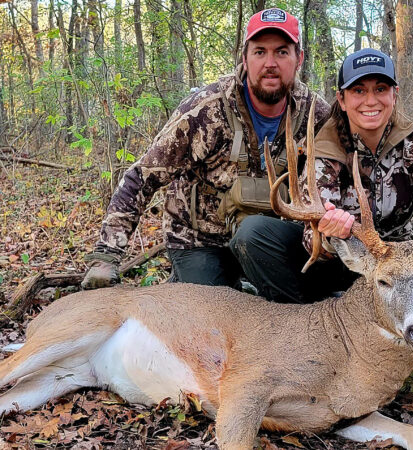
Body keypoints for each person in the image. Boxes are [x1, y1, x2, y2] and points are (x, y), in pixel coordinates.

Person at [81, 8, 330, 291]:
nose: (270, 63)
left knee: (304, 301)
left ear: (299, 59)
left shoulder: (315, 114)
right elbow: (141, 177)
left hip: (265, 239)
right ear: (244, 58)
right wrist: (106, 255)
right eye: (260, 52)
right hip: (200, 241)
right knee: (211, 318)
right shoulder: (205, 110)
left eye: (282, 52)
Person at [233, 48, 413, 301]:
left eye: (381, 89)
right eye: (358, 91)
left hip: (400, 261)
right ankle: (301, 316)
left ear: (394, 95)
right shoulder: (324, 148)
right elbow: (311, 237)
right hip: (342, 261)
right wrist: (328, 234)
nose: (370, 101)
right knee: (254, 233)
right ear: (341, 99)